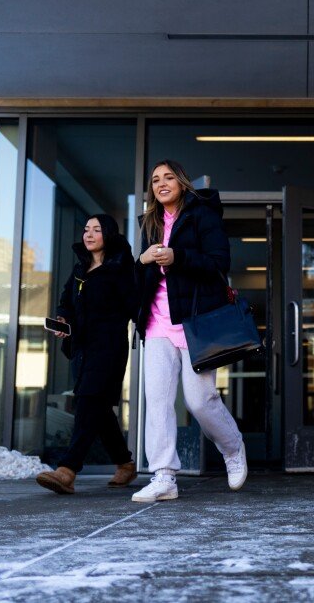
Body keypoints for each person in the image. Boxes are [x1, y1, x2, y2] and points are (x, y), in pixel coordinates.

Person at [130, 159, 247, 503]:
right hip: (157, 322)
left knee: (199, 401)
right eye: (155, 180)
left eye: (168, 177)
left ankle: (232, 447)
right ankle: (164, 476)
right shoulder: (150, 223)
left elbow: (219, 262)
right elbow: (141, 276)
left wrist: (177, 257)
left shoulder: (202, 214)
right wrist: (142, 261)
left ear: (182, 182)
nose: (161, 184)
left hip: (194, 322)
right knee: (158, 402)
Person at [36, 214, 138, 495]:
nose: (89, 235)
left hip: (108, 347)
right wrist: (63, 320)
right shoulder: (81, 267)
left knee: (88, 401)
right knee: (99, 408)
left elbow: (133, 305)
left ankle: (67, 470)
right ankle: (125, 463)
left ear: (109, 234)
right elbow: (66, 301)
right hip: (82, 347)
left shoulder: (121, 267)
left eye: (96, 230)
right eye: (86, 229)